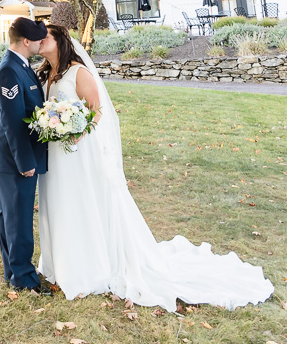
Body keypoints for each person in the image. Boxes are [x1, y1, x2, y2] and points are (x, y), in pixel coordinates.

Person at [36, 24, 274, 312]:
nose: (40, 41)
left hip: (78, 152)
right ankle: (63, 263)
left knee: (82, 203)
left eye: (45, 37)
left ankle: (90, 266)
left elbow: (96, 111)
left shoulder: (78, 71)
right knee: (61, 204)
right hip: (55, 153)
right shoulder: (46, 73)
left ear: (60, 42)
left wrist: (76, 131)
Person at [0, 16, 52, 295]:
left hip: (15, 156)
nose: (41, 43)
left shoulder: (21, 65)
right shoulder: (9, 72)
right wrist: (26, 162)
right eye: (38, 40)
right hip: (15, 159)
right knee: (18, 218)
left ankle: (13, 270)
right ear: (26, 42)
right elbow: (13, 123)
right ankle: (23, 279)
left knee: (10, 216)